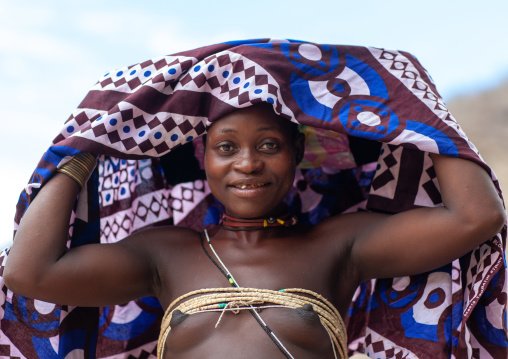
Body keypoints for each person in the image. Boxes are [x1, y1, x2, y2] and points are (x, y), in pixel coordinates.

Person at [3, 102, 505, 358]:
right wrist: (81, 149)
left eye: (268, 145)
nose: (248, 164)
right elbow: (30, 273)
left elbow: (476, 217)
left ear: (298, 154)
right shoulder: (165, 254)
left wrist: (421, 115)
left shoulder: (338, 244)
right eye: (227, 147)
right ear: (204, 159)